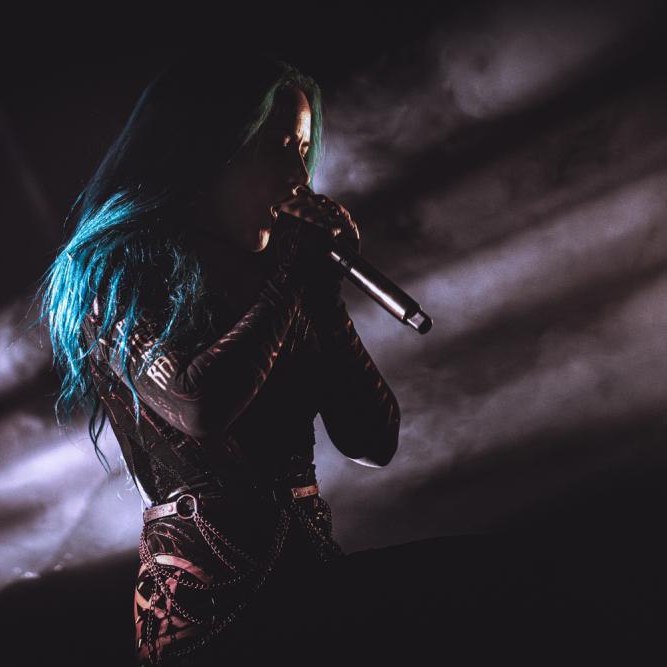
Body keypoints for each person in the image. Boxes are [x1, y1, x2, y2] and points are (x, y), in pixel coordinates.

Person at [40, 51, 403, 665]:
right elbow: (199, 405)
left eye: (304, 149)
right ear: (210, 147)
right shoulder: (115, 269)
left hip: (314, 589)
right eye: (278, 147)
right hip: (200, 615)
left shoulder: (284, 274)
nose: (300, 173)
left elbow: (374, 441)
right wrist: (290, 279)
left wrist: (322, 296)